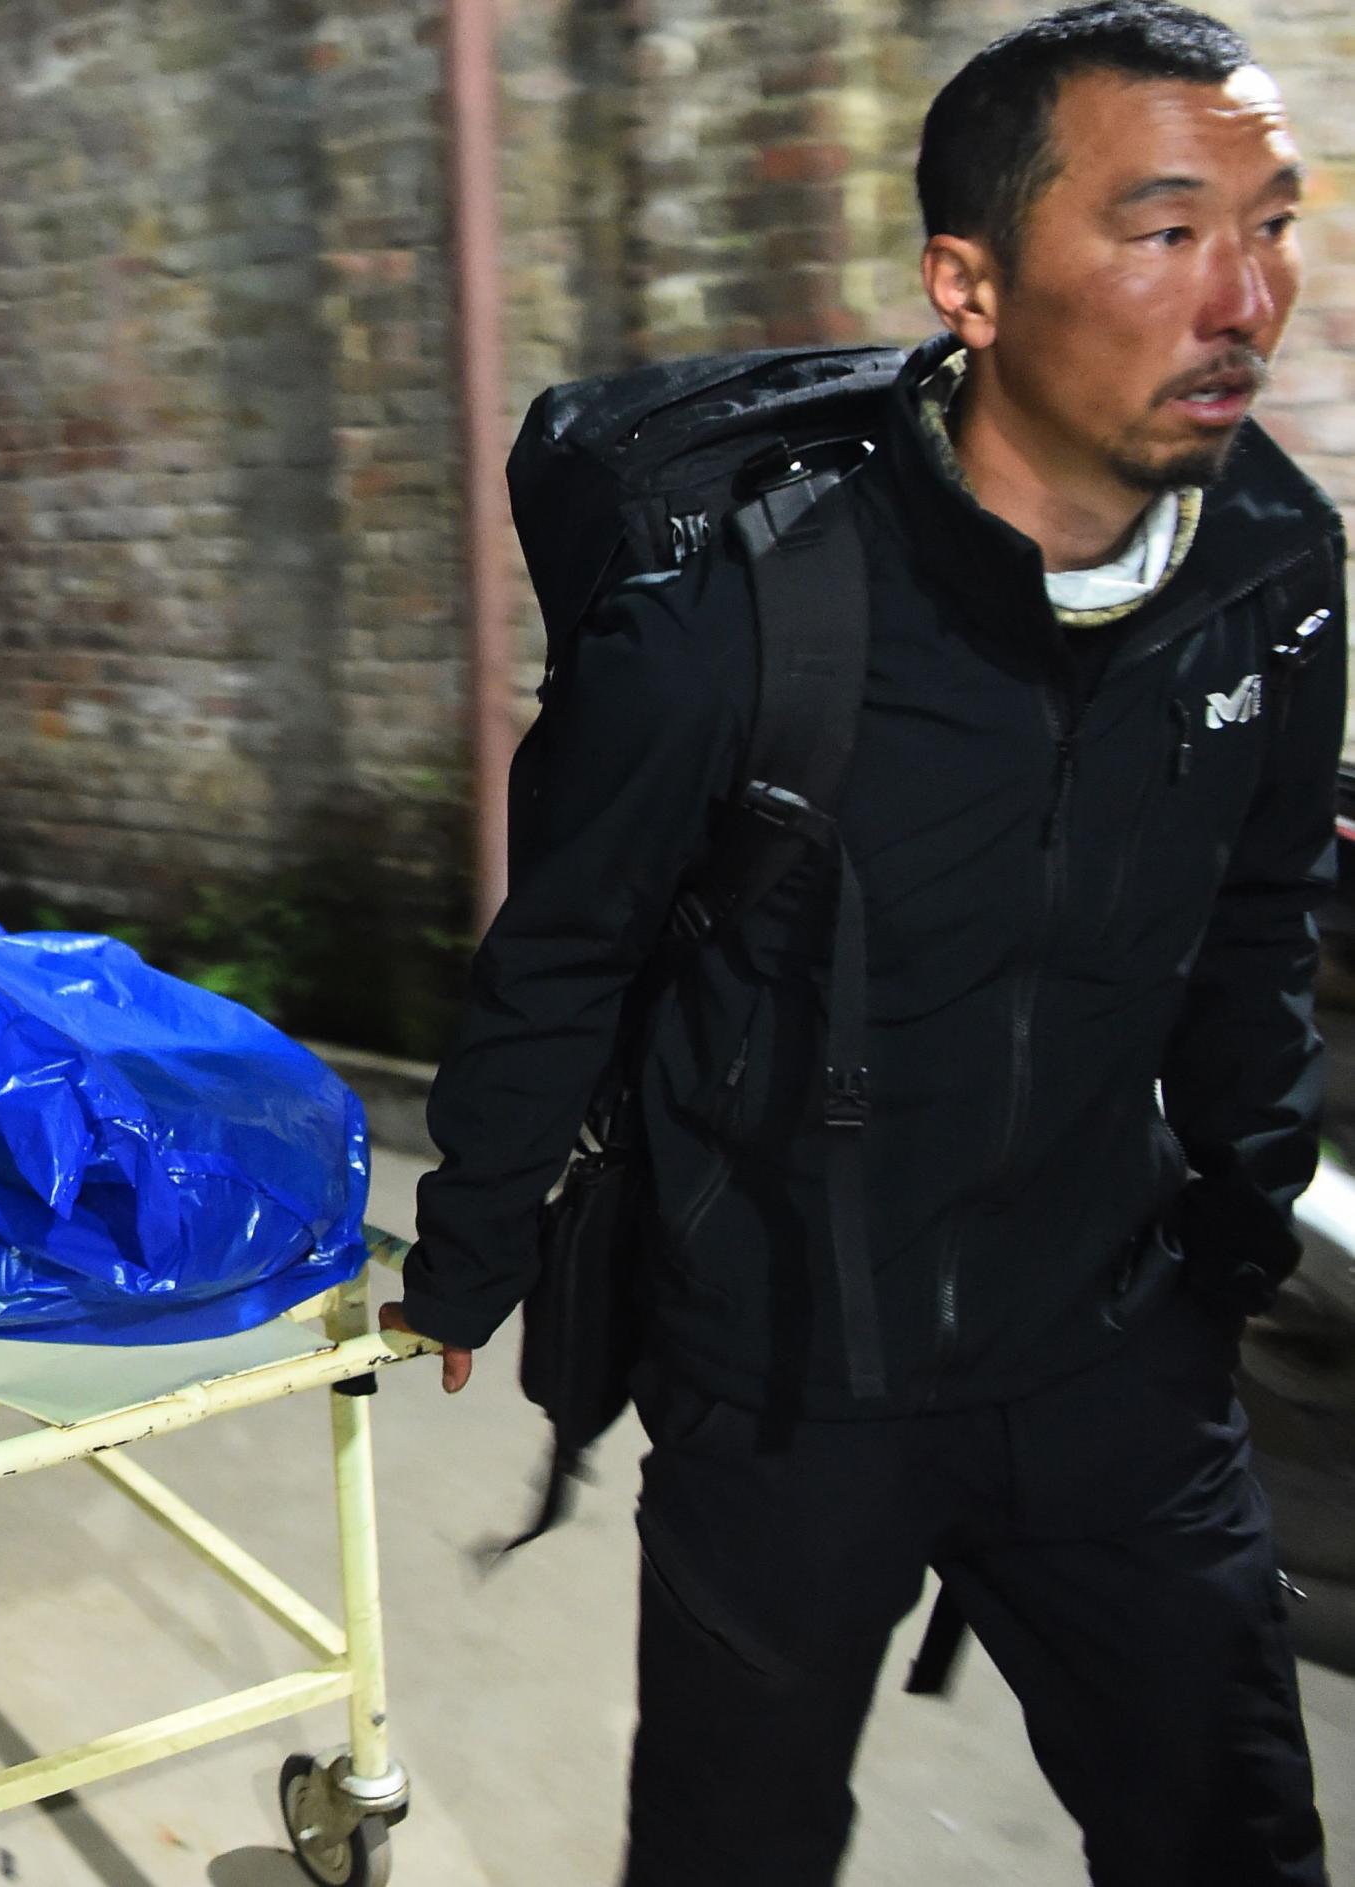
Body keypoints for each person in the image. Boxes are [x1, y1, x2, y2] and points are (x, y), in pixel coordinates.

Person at [386, 6, 1339, 1883]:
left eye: (1276, 223)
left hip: (1111, 1364)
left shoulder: (1272, 568)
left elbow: (1254, 917)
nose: (1241, 295)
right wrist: (469, 1250)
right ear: (966, 282)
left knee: (1238, 1836)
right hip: (790, 1385)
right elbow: (563, 952)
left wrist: (1240, 1207)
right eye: (1162, 231)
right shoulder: (743, 621)